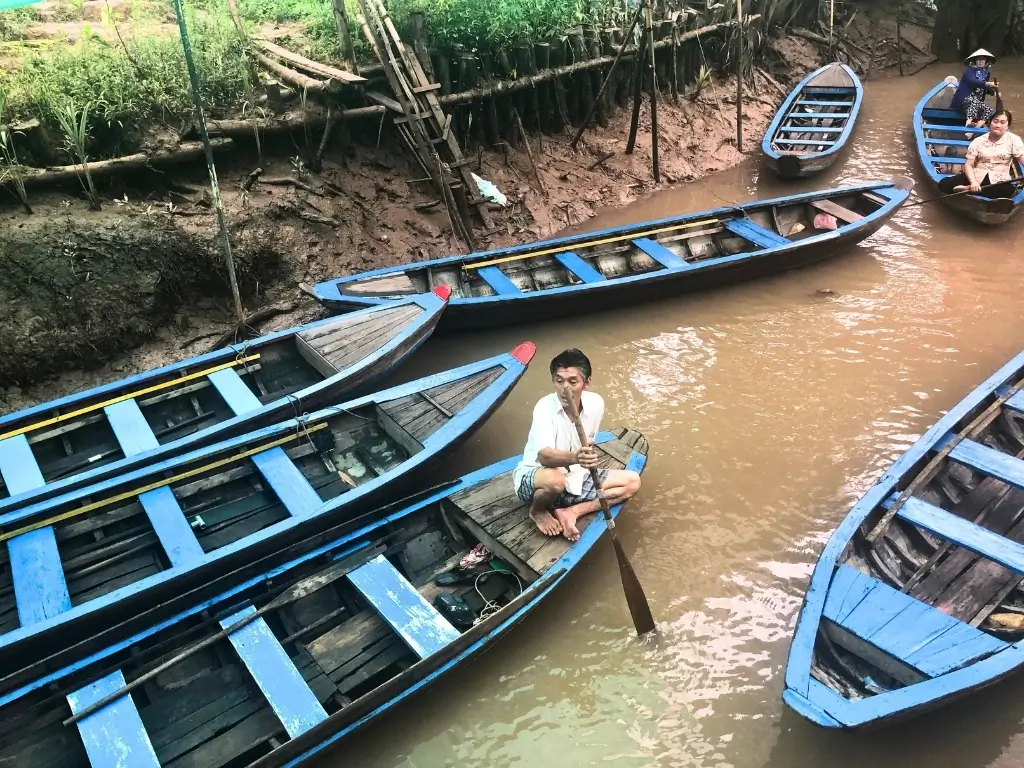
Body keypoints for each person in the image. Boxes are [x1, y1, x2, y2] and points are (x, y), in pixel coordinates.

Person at [512, 348, 642, 542]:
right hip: (538, 483)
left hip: (574, 478)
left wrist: (582, 457)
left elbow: (588, 440)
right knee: (555, 479)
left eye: (573, 382)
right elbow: (543, 456)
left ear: (586, 383)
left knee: (632, 482)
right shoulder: (544, 407)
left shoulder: (596, 403)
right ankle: (537, 511)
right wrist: (576, 457)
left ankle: (571, 511)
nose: (565, 388)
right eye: (559, 381)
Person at [938, 110, 1024, 199]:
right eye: (995, 121)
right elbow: (968, 164)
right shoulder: (978, 141)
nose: (998, 125)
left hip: (999, 181)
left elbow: (1022, 159)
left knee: (1008, 191)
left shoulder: (1014, 140)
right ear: (990, 122)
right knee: (943, 184)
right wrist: (973, 182)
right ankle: (972, 189)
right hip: (976, 176)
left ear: (1007, 126)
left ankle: (968, 190)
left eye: (1002, 123)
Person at [951, 49, 998, 128]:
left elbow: (983, 87)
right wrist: (988, 83)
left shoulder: (986, 72)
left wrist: (993, 92)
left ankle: (975, 129)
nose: (980, 61)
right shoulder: (969, 70)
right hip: (965, 98)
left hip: (977, 100)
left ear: (986, 61)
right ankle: (968, 124)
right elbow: (972, 82)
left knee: (989, 110)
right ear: (975, 61)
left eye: (982, 60)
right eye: (978, 60)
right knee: (975, 103)